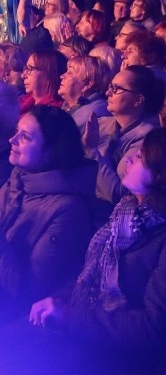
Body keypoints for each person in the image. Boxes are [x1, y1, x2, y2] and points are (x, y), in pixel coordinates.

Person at [0, 129, 166, 375]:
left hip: (115, 364)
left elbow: (153, 328)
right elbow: (89, 276)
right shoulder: (124, 214)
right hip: (78, 340)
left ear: (163, 176)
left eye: (143, 156)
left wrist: (70, 315)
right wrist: (58, 300)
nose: (132, 157)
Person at [0, 107, 97, 319]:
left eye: (25, 137)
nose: (12, 140)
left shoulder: (68, 210)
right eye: (16, 131)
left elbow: (28, 291)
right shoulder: (18, 181)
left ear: (51, 151)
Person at [84, 65, 165, 204]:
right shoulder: (101, 123)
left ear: (138, 99)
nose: (108, 92)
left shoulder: (147, 138)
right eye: (110, 86)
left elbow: (119, 194)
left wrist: (92, 150)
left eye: (116, 89)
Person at [58, 55, 111, 133]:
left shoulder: (94, 112)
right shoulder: (67, 107)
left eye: (70, 73)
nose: (61, 76)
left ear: (88, 84)